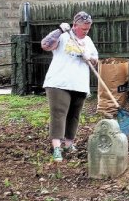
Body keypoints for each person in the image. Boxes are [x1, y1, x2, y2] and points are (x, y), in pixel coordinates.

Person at [41, 11, 98, 162]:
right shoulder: (63, 36)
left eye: (88, 29)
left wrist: (89, 58)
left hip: (79, 84)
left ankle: (68, 144)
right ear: (74, 25)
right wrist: (59, 30)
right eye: (83, 28)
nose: (86, 31)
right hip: (59, 83)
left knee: (74, 115)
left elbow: (96, 60)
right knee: (59, 113)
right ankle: (57, 148)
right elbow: (45, 45)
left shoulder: (88, 41)